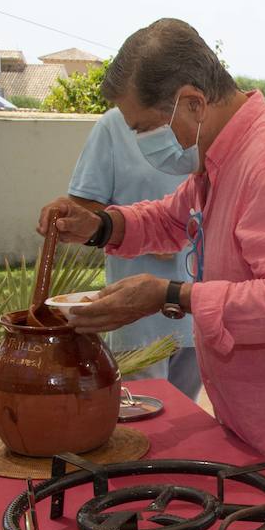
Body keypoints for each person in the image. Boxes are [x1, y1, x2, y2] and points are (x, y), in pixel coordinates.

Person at [39, 19, 265, 477]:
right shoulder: (222, 157)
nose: (144, 143)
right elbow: (171, 217)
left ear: (192, 102)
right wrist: (101, 226)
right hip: (259, 430)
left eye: (144, 128)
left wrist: (170, 296)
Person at [67, 106, 201, 400]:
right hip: (138, 318)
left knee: (186, 420)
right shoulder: (115, 125)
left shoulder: (204, 121)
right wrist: (150, 235)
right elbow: (83, 210)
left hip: (200, 310)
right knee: (144, 424)